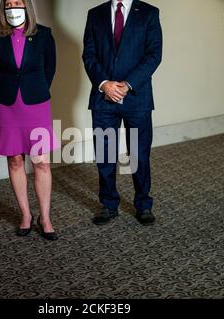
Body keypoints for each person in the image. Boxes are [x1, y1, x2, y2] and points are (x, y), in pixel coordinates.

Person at [0, 0, 60, 240]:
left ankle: (45, 217)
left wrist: (35, 89)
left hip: (36, 105)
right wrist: (9, 90)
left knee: (41, 162)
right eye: (9, 3)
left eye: (18, 2)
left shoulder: (44, 35)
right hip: (6, 105)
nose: (14, 7)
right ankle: (25, 215)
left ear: (26, 6)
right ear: (3, 8)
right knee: (15, 161)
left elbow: (50, 69)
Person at [82, 0, 163, 226]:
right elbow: (89, 54)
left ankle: (143, 204)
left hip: (137, 97)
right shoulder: (95, 14)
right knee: (105, 154)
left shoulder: (149, 13)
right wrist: (104, 84)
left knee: (138, 155)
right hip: (103, 98)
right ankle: (108, 205)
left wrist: (127, 84)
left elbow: (154, 54)